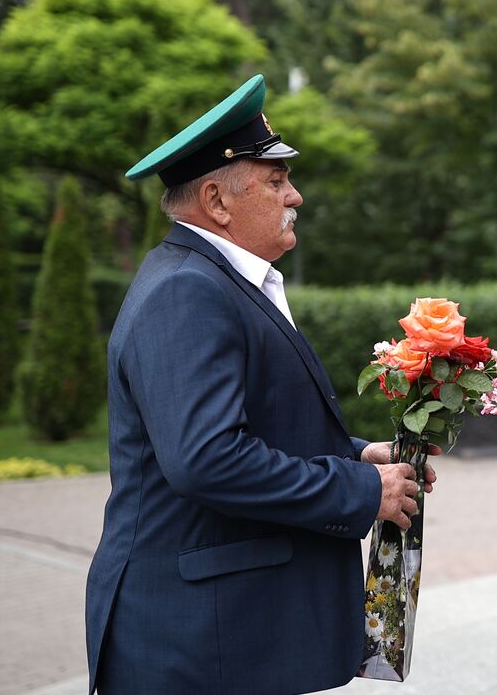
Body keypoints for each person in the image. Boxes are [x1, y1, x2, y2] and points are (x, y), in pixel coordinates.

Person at [85, 75, 434, 694]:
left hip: (223, 635)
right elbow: (207, 459)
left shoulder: (213, 279)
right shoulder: (187, 291)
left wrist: (359, 454)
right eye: (276, 182)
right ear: (217, 202)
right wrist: (358, 489)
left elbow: (252, 424)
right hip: (199, 645)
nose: (294, 196)